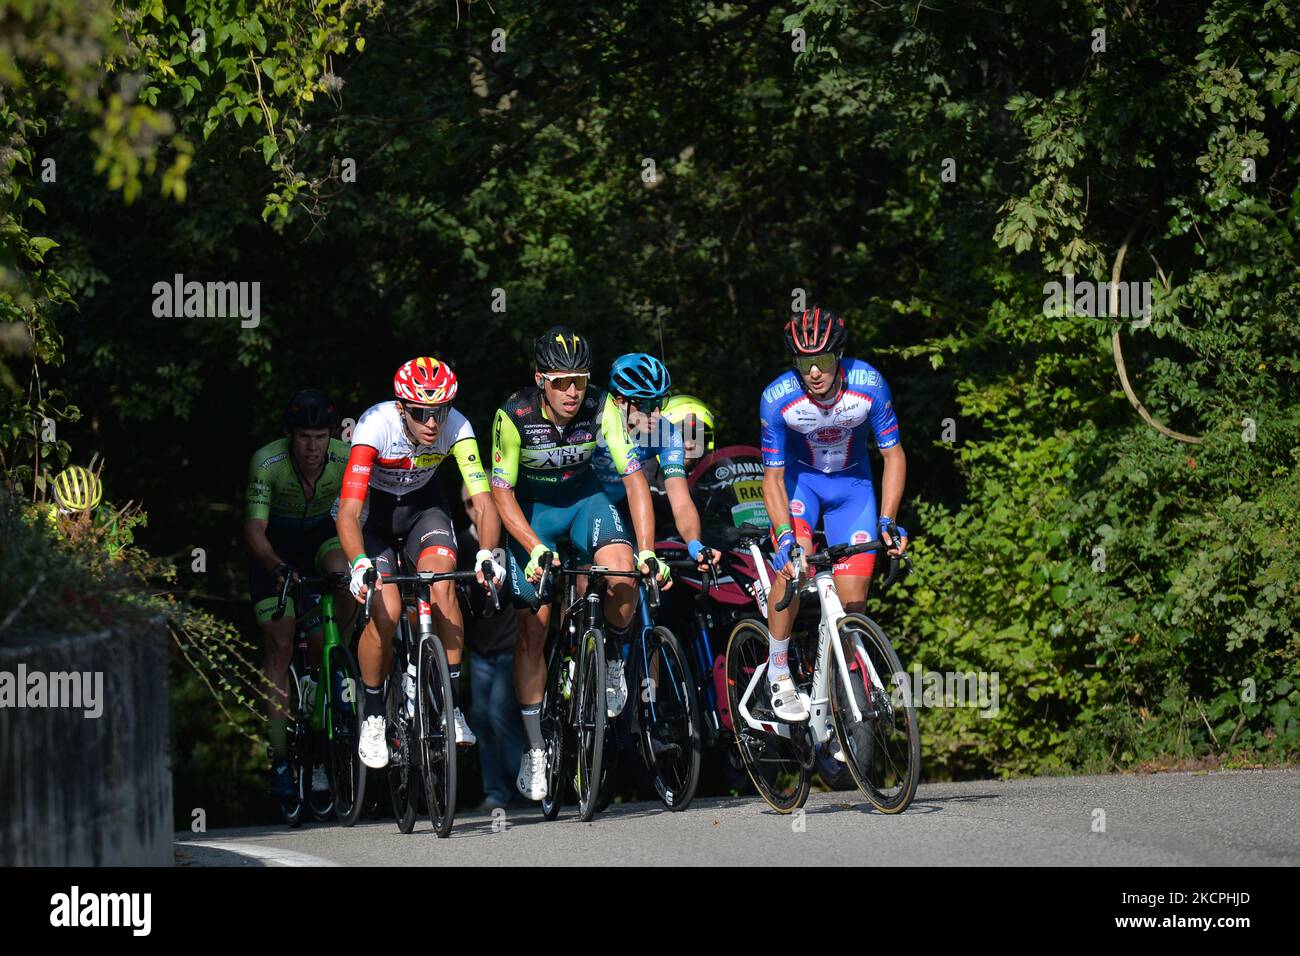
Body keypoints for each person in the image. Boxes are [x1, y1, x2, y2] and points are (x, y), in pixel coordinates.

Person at [489, 326, 670, 801]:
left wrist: (647, 548)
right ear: (541, 380)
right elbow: (500, 494)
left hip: (582, 501)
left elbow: (634, 481)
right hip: (532, 516)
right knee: (534, 628)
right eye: (562, 382)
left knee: (624, 575)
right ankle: (535, 749)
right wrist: (531, 546)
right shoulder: (513, 415)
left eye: (581, 381)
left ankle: (608, 656)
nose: (573, 392)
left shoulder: (602, 406)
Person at [336, 357, 505, 770]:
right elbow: (348, 510)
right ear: (400, 408)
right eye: (420, 412)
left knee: (443, 583)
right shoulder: (374, 425)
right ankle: (374, 714)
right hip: (373, 519)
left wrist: (486, 551)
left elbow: (483, 500)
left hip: (423, 512)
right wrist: (359, 562)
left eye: (440, 411)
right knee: (388, 609)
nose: (432, 422)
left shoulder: (457, 427)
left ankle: (450, 705)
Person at [758, 306, 909, 722]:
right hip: (800, 488)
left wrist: (889, 520)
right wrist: (786, 537)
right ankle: (779, 670)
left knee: (854, 605)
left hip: (853, 491)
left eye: (822, 361)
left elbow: (892, 456)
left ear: (838, 357)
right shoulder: (777, 398)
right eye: (805, 363)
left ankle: (847, 693)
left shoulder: (870, 386)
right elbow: (772, 478)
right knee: (795, 569)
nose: (814, 373)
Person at [244, 389, 352, 797]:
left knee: (345, 578)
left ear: (331, 436)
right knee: (280, 639)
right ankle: (280, 757)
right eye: (304, 437)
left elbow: (357, 516)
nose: (312, 446)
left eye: (320, 436)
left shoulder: (345, 457)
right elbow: (253, 531)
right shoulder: (267, 462)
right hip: (274, 550)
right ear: (289, 435)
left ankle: (335, 659)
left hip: (323, 539)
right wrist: (275, 567)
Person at [593, 352, 717, 569]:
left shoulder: (666, 434)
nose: (657, 413)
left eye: (660, 402)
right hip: (581, 500)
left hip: (623, 505)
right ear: (620, 401)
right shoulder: (594, 421)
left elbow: (681, 500)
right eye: (647, 405)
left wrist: (695, 544)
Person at [458, 484, 525, 813]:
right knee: (481, 719)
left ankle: (523, 784)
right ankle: (497, 791)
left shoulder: (510, 537)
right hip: (479, 648)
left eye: (479, 500)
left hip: (510, 644)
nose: (474, 507)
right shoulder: (458, 543)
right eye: (468, 502)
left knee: (500, 712)